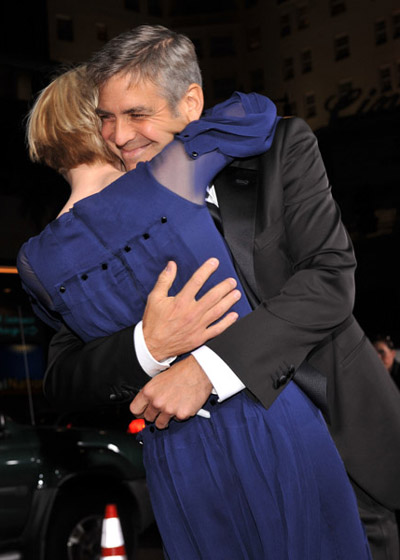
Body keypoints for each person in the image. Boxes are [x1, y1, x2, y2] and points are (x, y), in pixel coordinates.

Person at [20, 25, 400, 559]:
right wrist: (147, 346)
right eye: (106, 118)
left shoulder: (278, 150)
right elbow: (63, 378)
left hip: (342, 440)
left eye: (137, 114)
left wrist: (206, 370)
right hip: (210, 476)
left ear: (191, 103)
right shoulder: (98, 232)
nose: (119, 135)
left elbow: (329, 278)